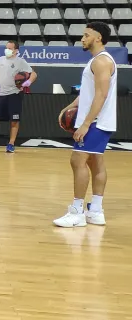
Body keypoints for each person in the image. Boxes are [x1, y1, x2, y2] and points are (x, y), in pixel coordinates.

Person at [54, 22, 117, 228]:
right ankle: (96, 211)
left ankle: (77, 212)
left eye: (86, 35)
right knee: (95, 163)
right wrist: (69, 107)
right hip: (98, 121)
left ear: (98, 38)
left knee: (77, 161)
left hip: (96, 122)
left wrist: (86, 123)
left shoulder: (101, 62)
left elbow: (101, 94)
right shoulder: (97, 61)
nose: (82, 38)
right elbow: (88, 93)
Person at [0, 40, 36, 153]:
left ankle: (11, 144)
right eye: (6, 48)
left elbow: (34, 74)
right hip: (1, 94)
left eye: (10, 48)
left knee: (14, 121)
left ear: (16, 51)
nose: (7, 50)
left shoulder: (21, 62)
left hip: (15, 94)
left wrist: (28, 82)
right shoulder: (1, 60)